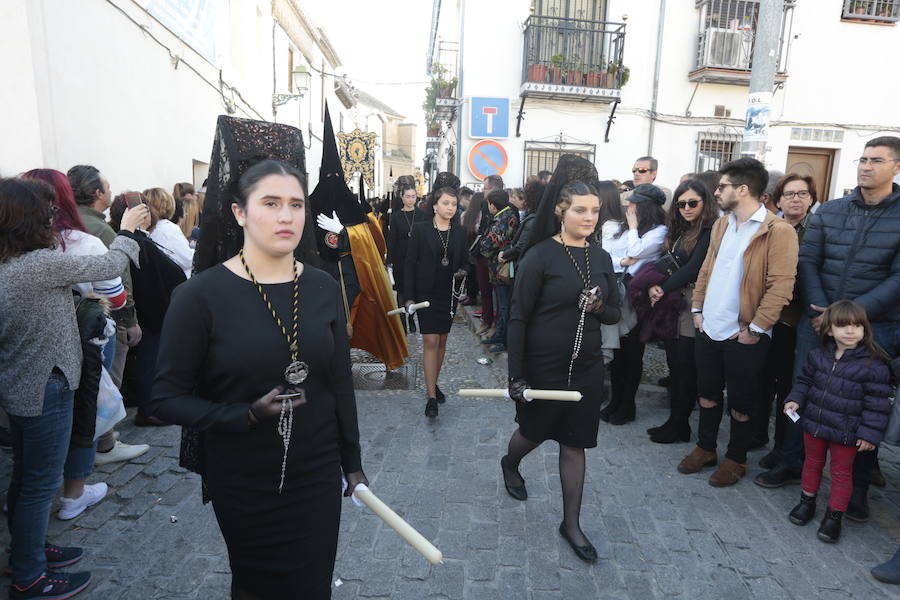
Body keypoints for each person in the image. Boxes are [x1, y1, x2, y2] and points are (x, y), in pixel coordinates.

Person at [151, 159, 367, 599]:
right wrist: (244, 414)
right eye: (270, 203)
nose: (286, 216)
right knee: (258, 587)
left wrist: (353, 463)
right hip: (244, 476)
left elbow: (339, 384)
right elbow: (164, 399)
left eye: (296, 204)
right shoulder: (199, 296)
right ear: (239, 212)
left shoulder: (324, 287)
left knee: (313, 586)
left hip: (317, 474)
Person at [0, 176, 149, 600]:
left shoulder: (12, 262)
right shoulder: (37, 265)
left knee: (28, 477)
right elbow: (107, 266)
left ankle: (27, 552)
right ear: (26, 219)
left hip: (24, 386)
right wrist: (129, 230)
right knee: (38, 484)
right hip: (45, 387)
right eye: (46, 212)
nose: (53, 217)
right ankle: (29, 577)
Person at [754, 136, 900, 519]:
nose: (866, 166)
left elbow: (897, 279)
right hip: (816, 321)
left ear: (896, 167)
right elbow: (808, 262)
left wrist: (846, 317)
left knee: (864, 405)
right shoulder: (831, 212)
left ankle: (856, 491)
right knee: (803, 393)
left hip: (873, 328)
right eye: (863, 159)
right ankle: (793, 464)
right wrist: (823, 311)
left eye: (877, 161)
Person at [502, 155, 621, 563]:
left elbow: (616, 313)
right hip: (543, 368)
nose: (589, 218)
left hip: (586, 368)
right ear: (561, 212)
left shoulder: (602, 259)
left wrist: (600, 306)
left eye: (594, 211)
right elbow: (517, 318)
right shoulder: (539, 256)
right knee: (532, 434)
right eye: (580, 210)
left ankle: (571, 523)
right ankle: (509, 462)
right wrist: (516, 376)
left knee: (575, 445)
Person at [678, 158, 798, 487]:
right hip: (709, 325)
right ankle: (705, 448)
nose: (716, 192)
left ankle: (736, 458)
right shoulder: (721, 224)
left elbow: (781, 285)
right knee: (707, 393)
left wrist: (757, 328)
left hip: (744, 332)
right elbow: (707, 269)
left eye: (722, 186)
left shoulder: (779, 231)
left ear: (743, 189)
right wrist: (698, 309)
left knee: (743, 402)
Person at [20, 169, 126, 520]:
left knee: (34, 427)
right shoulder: (80, 243)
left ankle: (24, 498)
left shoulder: (15, 249)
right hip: (85, 338)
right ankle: (73, 495)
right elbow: (117, 294)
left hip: (28, 348)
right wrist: (128, 235)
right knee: (84, 418)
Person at [783, 300, 892, 543]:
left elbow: (878, 405)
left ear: (865, 330)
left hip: (847, 432)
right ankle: (807, 501)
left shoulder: (873, 365)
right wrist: (795, 399)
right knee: (812, 463)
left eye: (857, 326)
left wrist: (869, 434)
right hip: (815, 425)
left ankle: (834, 516)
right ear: (829, 329)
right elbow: (804, 382)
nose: (851, 331)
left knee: (841, 473)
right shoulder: (817, 356)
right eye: (843, 326)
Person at [68, 164, 149, 466]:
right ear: (98, 193)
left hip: (79, 321)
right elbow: (119, 284)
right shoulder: (100, 230)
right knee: (106, 384)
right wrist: (131, 321)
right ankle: (104, 444)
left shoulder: (68, 223)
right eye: (108, 187)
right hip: (101, 320)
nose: (112, 192)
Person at [644, 179, 719, 443]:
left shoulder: (710, 229)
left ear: (705, 202)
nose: (686, 208)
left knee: (686, 367)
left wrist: (661, 287)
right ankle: (675, 422)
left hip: (694, 301)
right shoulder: (683, 228)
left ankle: (680, 424)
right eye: (681, 204)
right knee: (675, 365)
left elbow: (694, 267)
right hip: (676, 301)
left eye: (692, 203)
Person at [754, 175, 817, 457]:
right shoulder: (766, 228)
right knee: (760, 380)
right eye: (789, 194)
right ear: (777, 200)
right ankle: (756, 435)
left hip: (795, 321)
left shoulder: (817, 231)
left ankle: (782, 449)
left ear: (812, 199)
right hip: (763, 317)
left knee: (788, 387)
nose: (796, 199)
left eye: (803, 193)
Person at [599, 184, 667, 425]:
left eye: (634, 203)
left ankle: (628, 405)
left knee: (633, 354)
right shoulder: (625, 228)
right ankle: (615, 400)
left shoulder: (659, 231)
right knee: (618, 352)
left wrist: (634, 228)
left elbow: (635, 249)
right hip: (621, 291)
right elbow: (609, 255)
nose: (629, 207)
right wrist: (627, 252)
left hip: (639, 298)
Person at [403, 186, 467, 418]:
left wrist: (462, 271)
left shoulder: (460, 232)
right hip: (425, 293)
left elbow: (466, 262)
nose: (450, 207)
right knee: (430, 340)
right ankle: (431, 397)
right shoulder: (420, 230)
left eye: (453, 204)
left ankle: (433, 382)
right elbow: (409, 263)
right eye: (445, 203)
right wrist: (408, 296)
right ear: (435, 206)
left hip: (447, 294)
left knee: (441, 342)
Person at [479, 189, 519, 353]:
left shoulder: (501, 219)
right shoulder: (509, 214)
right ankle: (499, 334)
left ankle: (503, 339)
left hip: (501, 268)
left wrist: (483, 246)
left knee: (504, 306)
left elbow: (487, 246)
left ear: (493, 205)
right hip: (500, 267)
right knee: (502, 304)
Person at [386, 183, 426, 333]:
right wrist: (389, 260)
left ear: (417, 198)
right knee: (402, 290)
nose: (410, 200)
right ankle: (402, 321)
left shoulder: (422, 215)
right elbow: (392, 240)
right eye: (407, 196)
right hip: (400, 257)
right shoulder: (396, 216)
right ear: (402, 198)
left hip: (418, 257)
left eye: (413, 197)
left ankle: (411, 318)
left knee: (414, 288)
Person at [474, 175, 504, 337]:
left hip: (496, 256)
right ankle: (486, 320)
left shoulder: (506, 207)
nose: (483, 191)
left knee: (498, 294)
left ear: (494, 188)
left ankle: (496, 325)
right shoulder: (484, 204)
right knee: (484, 289)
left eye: (485, 188)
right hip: (482, 253)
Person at [143, 187, 194, 279]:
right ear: (167, 205)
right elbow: (187, 260)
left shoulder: (145, 227)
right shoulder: (168, 228)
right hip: (176, 283)